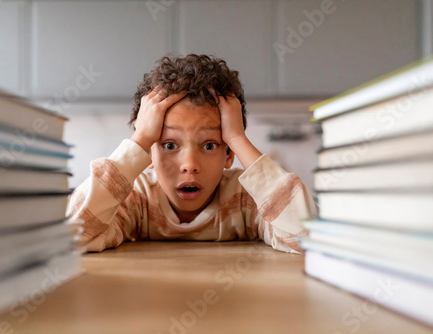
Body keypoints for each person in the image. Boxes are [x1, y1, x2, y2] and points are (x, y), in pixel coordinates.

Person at [66, 54, 318, 253]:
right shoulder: (136, 200)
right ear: (148, 155)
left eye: (209, 145)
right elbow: (74, 236)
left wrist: (238, 138)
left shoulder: (246, 202)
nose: (189, 165)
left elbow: (306, 238)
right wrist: (141, 138)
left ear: (229, 154)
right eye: (169, 145)